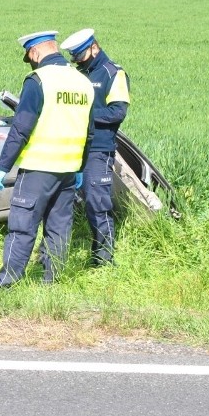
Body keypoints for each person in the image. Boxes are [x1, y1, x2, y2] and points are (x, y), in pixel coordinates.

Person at [0, 30, 94, 287]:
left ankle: (7, 284)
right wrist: (80, 167)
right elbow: (89, 132)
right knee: (59, 230)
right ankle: (53, 283)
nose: (32, 62)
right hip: (69, 171)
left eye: (30, 57)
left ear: (35, 52)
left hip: (38, 168)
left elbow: (21, 127)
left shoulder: (38, 80)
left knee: (22, 227)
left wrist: (3, 166)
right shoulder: (81, 81)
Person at [60, 28, 130, 267]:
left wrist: (84, 114)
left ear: (93, 48)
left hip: (98, 150)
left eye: (79, 55)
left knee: (96, 203)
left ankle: (104, 258)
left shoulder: (114, 73)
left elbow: (117, 113)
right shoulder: (78, 74)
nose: (77, 61)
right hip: (72, 147)